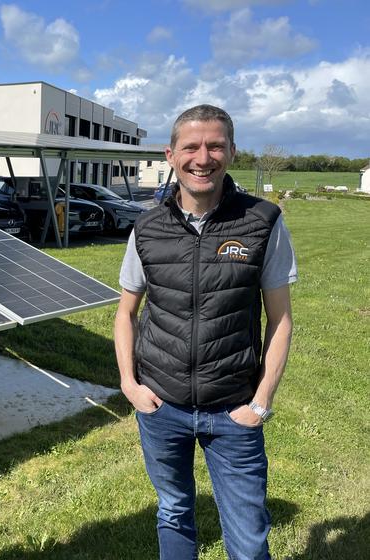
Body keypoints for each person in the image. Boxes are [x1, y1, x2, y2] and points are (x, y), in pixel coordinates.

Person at [114, 104, 296, 559]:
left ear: (231, 151)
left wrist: (261, 403)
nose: (203, 157)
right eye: (191, 146)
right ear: (170, 154)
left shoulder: (263, 221)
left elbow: (281, 320)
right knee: (174, 511)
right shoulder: (146, 226)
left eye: (215, 145)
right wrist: (130, 385)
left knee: (249, 539)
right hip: (162, 407)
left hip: (233, 410)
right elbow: (125, 312)